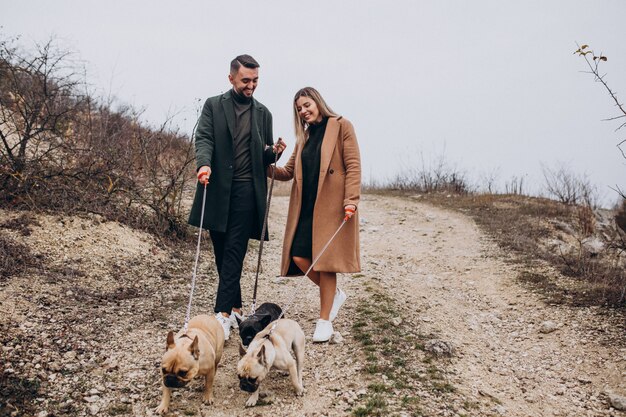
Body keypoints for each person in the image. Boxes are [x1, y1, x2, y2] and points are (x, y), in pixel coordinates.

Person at [188, 54, 286, 340]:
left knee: (234, 251)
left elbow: (264, 154)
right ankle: (236, 308)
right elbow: (204, 137)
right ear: (231, 78)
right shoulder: (213, 106)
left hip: (247, 191)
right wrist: (203, 164)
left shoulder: (264, 113)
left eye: (255, 80)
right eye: (246, 80)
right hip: (217, 188)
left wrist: (275, 152)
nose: (251, 85)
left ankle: (221, 316)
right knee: (221, 252)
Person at [272, 87, 361, 342]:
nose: (303, 111)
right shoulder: (305, 137)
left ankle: (324, 322)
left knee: (325, 263)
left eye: (307, 105)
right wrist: (265, 161)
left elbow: (353, 165)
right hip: (307, 206)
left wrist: (351, 200)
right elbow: (287, 172)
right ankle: (334, 295)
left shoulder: (342, 126)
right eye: (299, 108)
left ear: (318, 103)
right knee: (299, 256)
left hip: (332, 206)